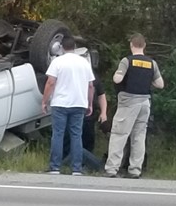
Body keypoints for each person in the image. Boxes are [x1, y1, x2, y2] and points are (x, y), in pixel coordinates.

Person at [104, 33, 163, 178]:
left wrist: (118, 75)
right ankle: (135, 170)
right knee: (139, 137)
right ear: (144, 46)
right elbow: (160, 84)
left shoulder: (127, 61)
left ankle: (112, 169)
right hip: (145, 103)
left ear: (131, 45)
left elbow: (117, 79)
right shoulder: (151, 63)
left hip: (128, 102)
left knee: (119, 134)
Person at [41, 36, 95, 175]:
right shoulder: (84, 63)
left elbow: (50, 82)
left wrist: (44, 101)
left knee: (58, 134)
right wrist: (89, 104)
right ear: (75, 46)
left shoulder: (58, 62)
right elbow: (90, 86)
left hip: (60, 103)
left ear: (62, 47)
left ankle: (55, 167)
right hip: (79, 103)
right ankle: (76, 168)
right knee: (76, 135)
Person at [62, 62, 107, 171]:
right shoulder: (70, 74)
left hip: (88, 115)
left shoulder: (93, 75)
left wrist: (103, 112)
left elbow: (101, 95)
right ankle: (71, 163)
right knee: (70, 140)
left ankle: (86, 164)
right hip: (74, 112)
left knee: (87, 141)